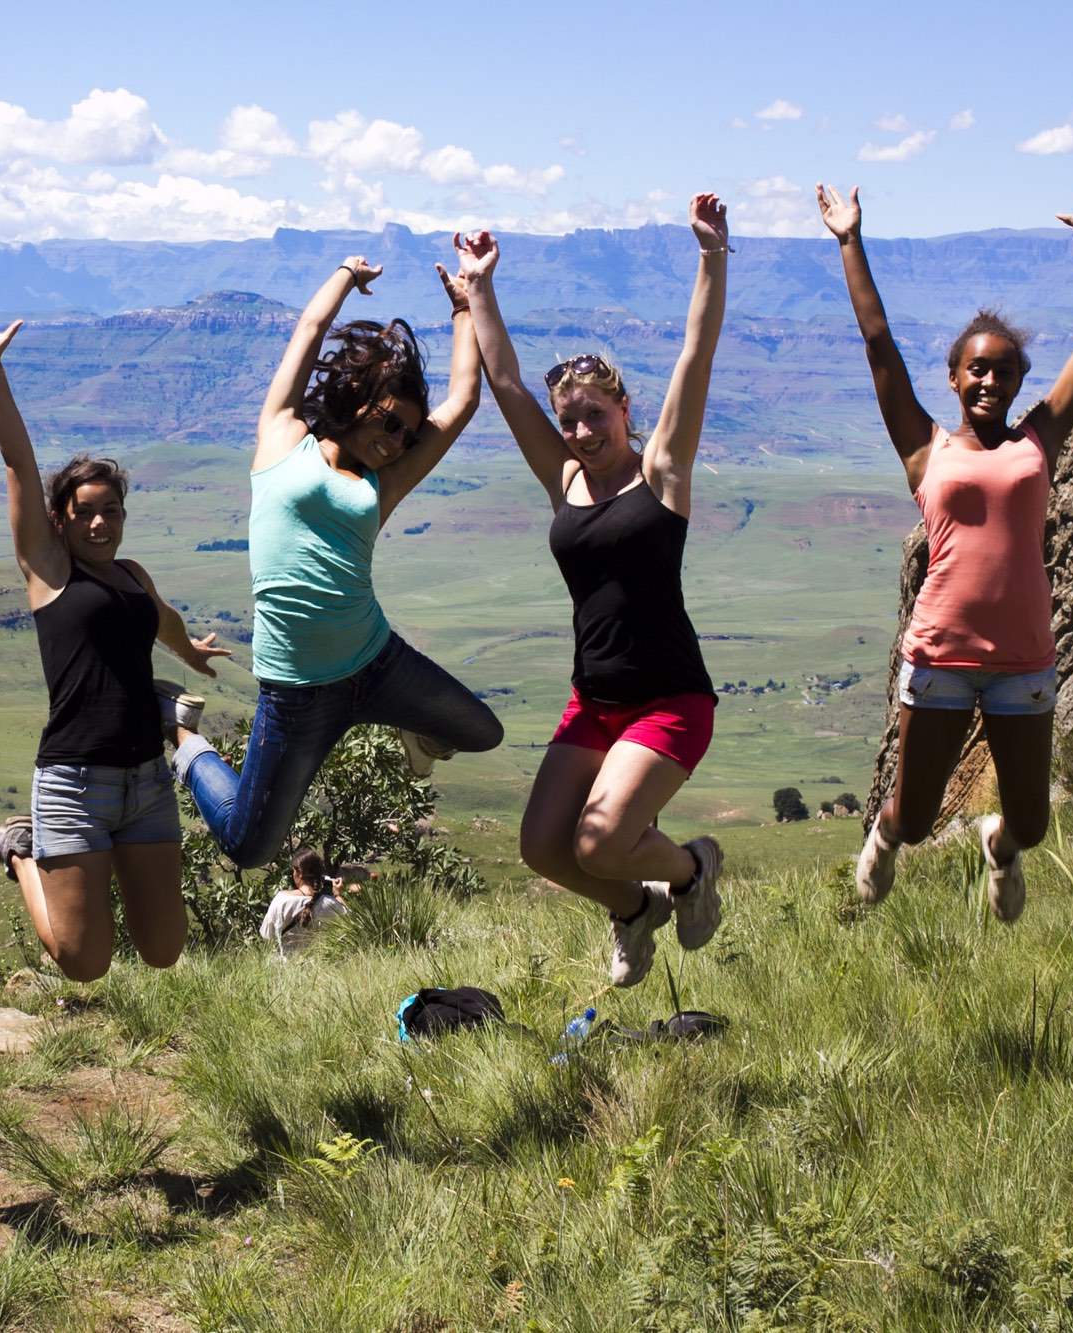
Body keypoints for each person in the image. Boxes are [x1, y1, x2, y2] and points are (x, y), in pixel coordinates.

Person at [820, 186, 1073, 921]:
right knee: (916, 819)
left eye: (1003, 370)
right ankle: (884, 838)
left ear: (1018, 381)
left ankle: (999, 848)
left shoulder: (1037, 439)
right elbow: (879, 344)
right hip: (941, 655)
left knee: (1034, 822)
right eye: (975, 368)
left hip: (1024, 658)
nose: (988, 380)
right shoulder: (926, 448)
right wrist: (849, 239)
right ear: (953, 376)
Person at [461, 195, 732, 987]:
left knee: (598, 838)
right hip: (594, 699)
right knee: (542, 847)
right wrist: (480, 285)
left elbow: (694, 356)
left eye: (594, 415)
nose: (580, 431)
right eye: (569, 419)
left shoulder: (662, 475)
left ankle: (688, 871)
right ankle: (635, 909)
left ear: (624, 410)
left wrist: (712, 256)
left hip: (669, 699)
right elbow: (506, 382)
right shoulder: (565, 479)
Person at [171, 253, 502, 871]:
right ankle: (184, 743)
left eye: (408, 433)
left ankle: (407, 725)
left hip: (374, 664)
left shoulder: (385, 480)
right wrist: (347, 275)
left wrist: (464, 310)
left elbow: (463, 399)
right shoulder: (281, 436)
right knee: (249, 848)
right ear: (356, 397)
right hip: (297, 693)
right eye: (390, 422)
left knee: (482, 731)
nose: (399, 440)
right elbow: (309, 332)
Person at [0, 297, 232, 980]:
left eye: (113, 509)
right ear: (62, 519)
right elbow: (20, 464)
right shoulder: (50, 572)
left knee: (164, 950)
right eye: (88, 512)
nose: (103, 523)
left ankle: (37, 854)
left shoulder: (134, 573)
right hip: (73, 783)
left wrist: (189, 652)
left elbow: (159, 616)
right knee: (84, 962)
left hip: (145, 779)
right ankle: (21, 853)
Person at [257, 847, 350, 958]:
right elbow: (350, 922)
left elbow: (266, 935)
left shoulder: (281, 899)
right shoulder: (329, 904)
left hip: (283, 970)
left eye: (293, 871)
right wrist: (338, 895)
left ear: (299, 873)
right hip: (319, 970)